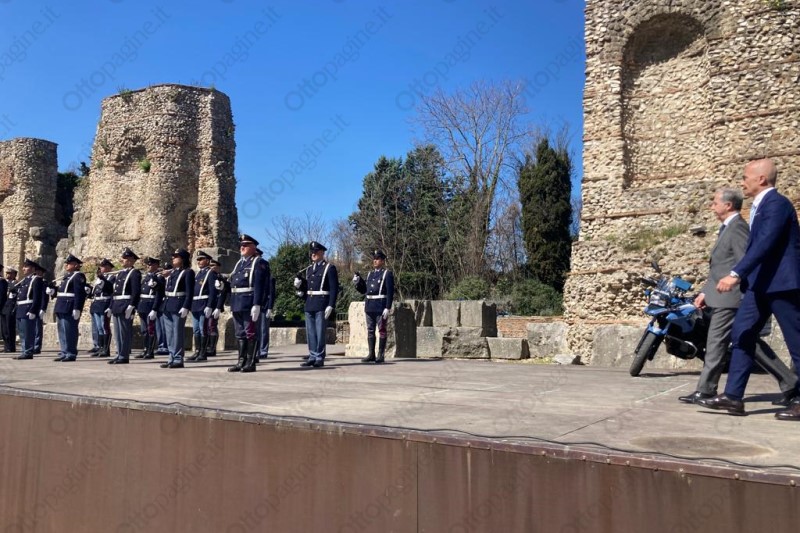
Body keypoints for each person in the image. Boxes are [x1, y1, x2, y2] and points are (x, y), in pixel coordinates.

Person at [699, 159, 800, 419]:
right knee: (742, 333)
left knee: (796, 341)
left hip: (781, 284)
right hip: (759, 286)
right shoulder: (759, 206)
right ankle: (733, 397)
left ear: (761, 179)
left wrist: (736, 273)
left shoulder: (777, 204)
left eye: (745, 177)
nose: (742, 182)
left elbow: (765, 242)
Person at [680, 188, 797, 403]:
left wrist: (737, 285)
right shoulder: (726, 228)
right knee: (747, 341)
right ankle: (790, 383)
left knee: (717, 343)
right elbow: (719, 267)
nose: (711, 207)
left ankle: (706, 389)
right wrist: (705, 291)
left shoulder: (738, 228)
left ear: (728, 205)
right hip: (721, 295)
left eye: (715, 203)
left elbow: (745, 261)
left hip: (732, 296)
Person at [227, 234, 268, 373]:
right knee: (239, 333)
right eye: (241, 245)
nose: (242, 247)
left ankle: (250, 362)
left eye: (245, 245)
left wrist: (257, 304)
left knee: (250, 333)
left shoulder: (258, 263)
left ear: (253, 247)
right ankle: (241, 361)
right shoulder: (239, 264)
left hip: (248, 303)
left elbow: (259, 285)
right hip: (236, 303)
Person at [295, 241, 338, 368]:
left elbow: (334, 288)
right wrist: (300, 286)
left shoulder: (329, 268)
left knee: (320, 332)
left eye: (315, 252)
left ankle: (319, 356)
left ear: (322, 253)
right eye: (311, 252)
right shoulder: (309, 269)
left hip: (321, 304)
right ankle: (312, 356)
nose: (313, 254)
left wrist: (331, 305)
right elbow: (308, 288)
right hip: (310, 303)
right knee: (311, 333)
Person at [353, 249, 395, 364]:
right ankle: (371, 354)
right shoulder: (370, 274)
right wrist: (358, 282)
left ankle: (380, 354)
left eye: (377, 259)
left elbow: (390, 292)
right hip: (370, 306)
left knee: (382, 330)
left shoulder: (387, 274)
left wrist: (387, 307)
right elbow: (364, 291)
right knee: (370, 330)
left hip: (380, 306)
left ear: (382, 261)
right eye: (374, 259)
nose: (375, 261)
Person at [160, 248, 195, 369]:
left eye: (176, 256)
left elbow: (190, 292)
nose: (173, 258)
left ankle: (178, 358)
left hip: (179, 304)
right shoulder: (173, 272)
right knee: (169, 334)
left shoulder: (188, 272)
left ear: (183, 259)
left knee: (177, 333)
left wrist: (186, 306)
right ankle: (171, 358)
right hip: (168, 304)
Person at [109, 248, 142, 364]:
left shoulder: (134, 273)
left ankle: (124, 355)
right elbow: (114, 292)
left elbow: (136, 291)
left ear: (131, 260)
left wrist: (132, 305)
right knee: (118, 333)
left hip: (125, 305)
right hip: (117, 305)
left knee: (124, 332)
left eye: (124, 259)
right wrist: (111, 306)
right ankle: (119, 353)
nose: (122, 260)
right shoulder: (121, 273)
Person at [52, 254, 87, 362]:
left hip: (69, 307)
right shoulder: (67, 276)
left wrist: (77, 308)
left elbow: (79, 294)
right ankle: (64, 351)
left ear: (76, 265)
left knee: (69, 331)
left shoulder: (78, 276)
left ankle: (71, 353)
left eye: (69, 263)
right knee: (62, 331)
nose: (66, 265)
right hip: (61, 306)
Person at [187, 251, 218, 363]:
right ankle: (197, 351)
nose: (199, 262)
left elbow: (213, 291)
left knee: (203, 329)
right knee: (196, 330)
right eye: (198, 260)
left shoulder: (210, 273)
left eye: (201, 259)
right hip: (195, 304)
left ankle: (203, 352)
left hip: (204, 304)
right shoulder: (198, 274)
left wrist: (210, 305)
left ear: (207, 261)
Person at [14, 259, 43, 360]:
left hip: (28, 308)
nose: (23, 269)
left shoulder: (36, 280)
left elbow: (37, 297)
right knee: (22, 332)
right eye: (24, 267)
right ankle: (24, 350)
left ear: (33, 269)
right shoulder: (25, 280)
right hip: (21, 308)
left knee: (28, 332)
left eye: (26, 267)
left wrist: (33, 310)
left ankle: (28, 351)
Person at [136, 257, 164, 360]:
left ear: (156, 265)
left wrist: (155, 308)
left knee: (151, 329)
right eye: (148, 264)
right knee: (144, 330)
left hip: (151, 304)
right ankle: (145, 349)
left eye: (151, 264)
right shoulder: (146, 276)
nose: (149, 266)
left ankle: (150, 351)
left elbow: (159, 294)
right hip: (143, 304)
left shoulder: (159, 277)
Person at [89, 259, 115, 358]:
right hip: (97, 303)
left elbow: (110, 289)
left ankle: (106, 349)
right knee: (99, 327)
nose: (101, 268)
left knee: (105, 327)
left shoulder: (112, 277)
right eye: (101, 266)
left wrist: (110, 307)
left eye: (103, 267)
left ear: (108, 267)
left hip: (105, 303)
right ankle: (100, 347)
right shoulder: (99, 279)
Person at [254, 247, 273, 361]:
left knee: (263, 330)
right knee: (254, 330)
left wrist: (270, 306)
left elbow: (271, 291)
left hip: (264, 304)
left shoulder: (268, 276)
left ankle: (263, 350)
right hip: (254, 304)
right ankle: (255, 351)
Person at [208, 259, 229, 357]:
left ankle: (212, 348)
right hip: (207, 305)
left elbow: (222, 293)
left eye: (214, 266)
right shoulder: (209, 276)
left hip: (215, 306)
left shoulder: (220, 278)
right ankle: (207, 347)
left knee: (212, 326)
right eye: (210, 266)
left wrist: (218, 307)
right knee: (207, 326)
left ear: (218, 267)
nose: (212, 267)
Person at [33, 265, 48, 354]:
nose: (37, 273)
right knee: (31, 328)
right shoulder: (33, 281)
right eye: (36, 272)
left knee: (38, 328)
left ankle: (37, 346)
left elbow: (44, 297)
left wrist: (43, 308)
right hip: (32, 307)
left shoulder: (43, 282)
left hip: (39, 307)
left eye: (39, 272)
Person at [0, 265, 11, 352]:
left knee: (5, 328)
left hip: (2, 307)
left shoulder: (2, 281)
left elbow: (2, 296)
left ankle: (8, 346)